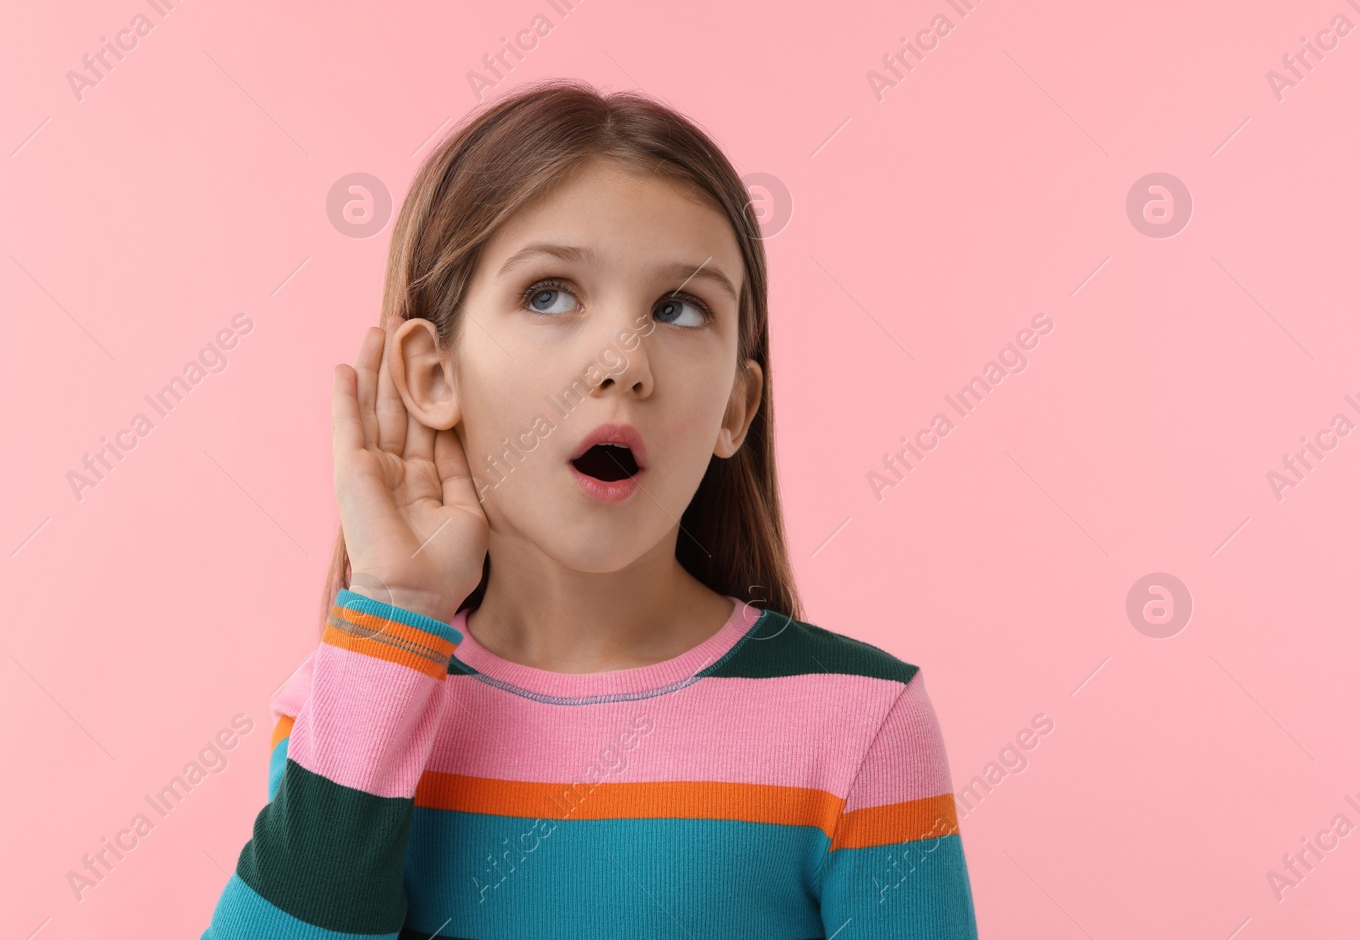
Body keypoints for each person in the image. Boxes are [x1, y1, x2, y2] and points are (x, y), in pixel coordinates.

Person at [200, 79, 978, 938]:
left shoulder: (863, 718)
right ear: (433, 375)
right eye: (549, 294)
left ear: (734, 409)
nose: (622, 361)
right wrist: (396, 612)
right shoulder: (351, 702)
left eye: (680, 309)